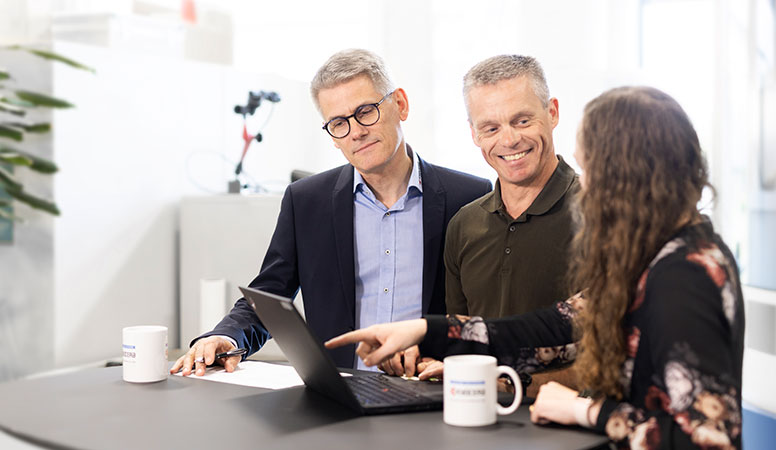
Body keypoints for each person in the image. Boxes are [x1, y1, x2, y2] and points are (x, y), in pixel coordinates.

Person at [326, 86, 744, 449]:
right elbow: (555, 327)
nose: (589, 186)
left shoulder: (685, 277)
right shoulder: (654, 259)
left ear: (627, 178)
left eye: (594, 169)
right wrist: (426, 330)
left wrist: (586, 410)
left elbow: (708, 439)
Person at [171, 49, 491, 376]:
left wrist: (441, 345)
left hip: (435, 389)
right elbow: (269, 293)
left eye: (366, 111)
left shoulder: (469, 197)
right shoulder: (307, 201)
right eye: (338, 122)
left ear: (401, 104)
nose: (356, 131)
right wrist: (226, 335)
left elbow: (486, 318)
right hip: (339, 397)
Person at [407, 55, 580, 392]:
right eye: (491, 128)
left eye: (522, 120)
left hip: (570, 429)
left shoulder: (606, 214)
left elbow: (615, 357)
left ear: (553, 112)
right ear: (474, 133)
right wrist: (434, 360)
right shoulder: (464, 225)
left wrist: (509, 386)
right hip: (472, 417)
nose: (510, 140)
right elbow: (463, 339)